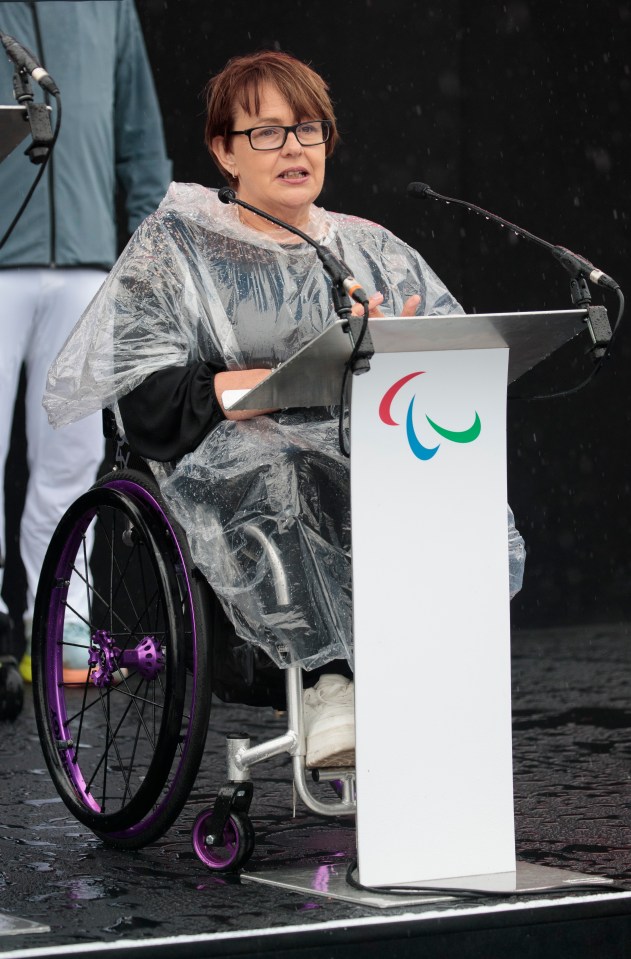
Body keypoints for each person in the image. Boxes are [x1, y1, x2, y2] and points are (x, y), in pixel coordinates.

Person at [43, 50, 525, 766]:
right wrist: (261, 387)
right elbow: (144, 398)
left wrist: (392, 345)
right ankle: (328, 678)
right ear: (223, 150)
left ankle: (425, 672)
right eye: (267, 132)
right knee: (290, 468)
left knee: (437, 471)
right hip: (228, 462)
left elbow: (442, 369)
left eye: (308, 129)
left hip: (359, 446)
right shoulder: (173, 249)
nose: (294, 147)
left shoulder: (370, 251)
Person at [0, 0, 171, 683]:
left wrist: (150, 255)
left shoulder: (109, 6)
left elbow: (138, 133)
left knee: (74, 459)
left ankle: (64, 637)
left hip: (85, 262)